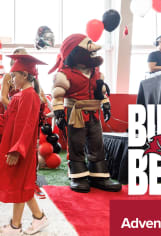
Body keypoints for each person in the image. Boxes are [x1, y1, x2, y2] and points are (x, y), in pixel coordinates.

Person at [0, 54, 50, 235]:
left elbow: (27, 126)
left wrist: (17, 150)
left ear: (25, 75)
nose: (12, 80)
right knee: (22, 185)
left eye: (14, 76)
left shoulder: (30, 96)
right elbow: (8, 120)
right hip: (17, 146)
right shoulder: (21, 96)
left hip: (21, 148)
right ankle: (39, 218)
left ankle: (15, 226)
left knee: (21, 185)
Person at [49, 34, 121, 193]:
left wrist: (105, 105)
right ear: (75, 52)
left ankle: (99, 175)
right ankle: (78, 175)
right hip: (75, 112)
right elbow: (58, 94)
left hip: (94, 113)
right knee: (76, 143)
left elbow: (101, 92)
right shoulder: (65, 74)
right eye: (89, 48)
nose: (93, 51)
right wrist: (59, 111)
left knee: (97, 143)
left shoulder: (96, 72)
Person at [0, 48, 47, 202]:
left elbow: (42, 97)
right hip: (14, 117)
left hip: (29, 116)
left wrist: (36, 106)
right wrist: (15, 109)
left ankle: (34, 184)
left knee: (32, 152)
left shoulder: (31, 84)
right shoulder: (9, 76)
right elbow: (2, 98)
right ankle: (10, 187)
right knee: (11, 153)